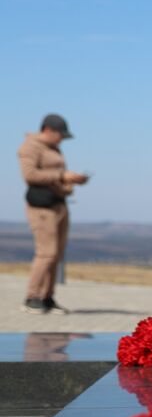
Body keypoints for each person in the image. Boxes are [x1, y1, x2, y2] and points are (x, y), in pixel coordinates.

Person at [17, 114, 87, 315]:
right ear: (48, 130)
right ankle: (32, 297)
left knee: (56, 254)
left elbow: (57, 176)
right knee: (46, 253)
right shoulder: (29, 147)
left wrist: (71, 182)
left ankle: (47, 297)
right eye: (60, 135)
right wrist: (61, 175)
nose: (62, 139)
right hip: (41, 207)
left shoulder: (54, 149)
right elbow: (29, 175)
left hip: (59, 204)